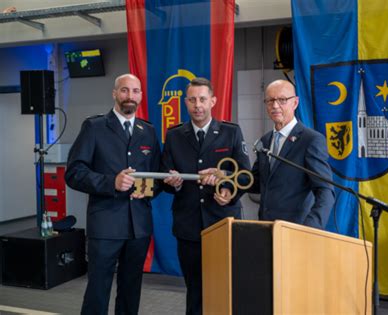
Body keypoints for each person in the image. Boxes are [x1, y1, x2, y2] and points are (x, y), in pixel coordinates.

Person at [65, 74, 161, 315]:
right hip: (105, 224)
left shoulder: (147, 130)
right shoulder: (94, 127)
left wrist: (150, 188)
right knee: (98, 288)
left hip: (138, 226)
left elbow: (156, 176)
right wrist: (111, 182)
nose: (130, 96)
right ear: (114, 94)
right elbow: (74, 173)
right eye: (125, 90)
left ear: (141, 95)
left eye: (135, 91)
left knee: (131, 288)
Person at [160, 77, 250, 315]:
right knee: (195, 289)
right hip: (188, 227)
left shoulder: (231, 132)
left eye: (202, 99)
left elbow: (245, 176)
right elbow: (166, 181)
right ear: (186, 103)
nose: (197, 105)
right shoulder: (174, 135)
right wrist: (175, 184)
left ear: (213, 101)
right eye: (192, 100)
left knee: (226, 287)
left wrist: (227, 187)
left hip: (222, 223)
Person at [250, 79, 335, 229]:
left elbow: (325, 191)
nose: (275, 106)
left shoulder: (310, 140)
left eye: (282, 100)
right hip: (265, 228)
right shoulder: (265, 140)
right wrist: (225, 178)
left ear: (295, 103)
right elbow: (256, 182)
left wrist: (311, 227)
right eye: (270, 101)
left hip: (296, 231)